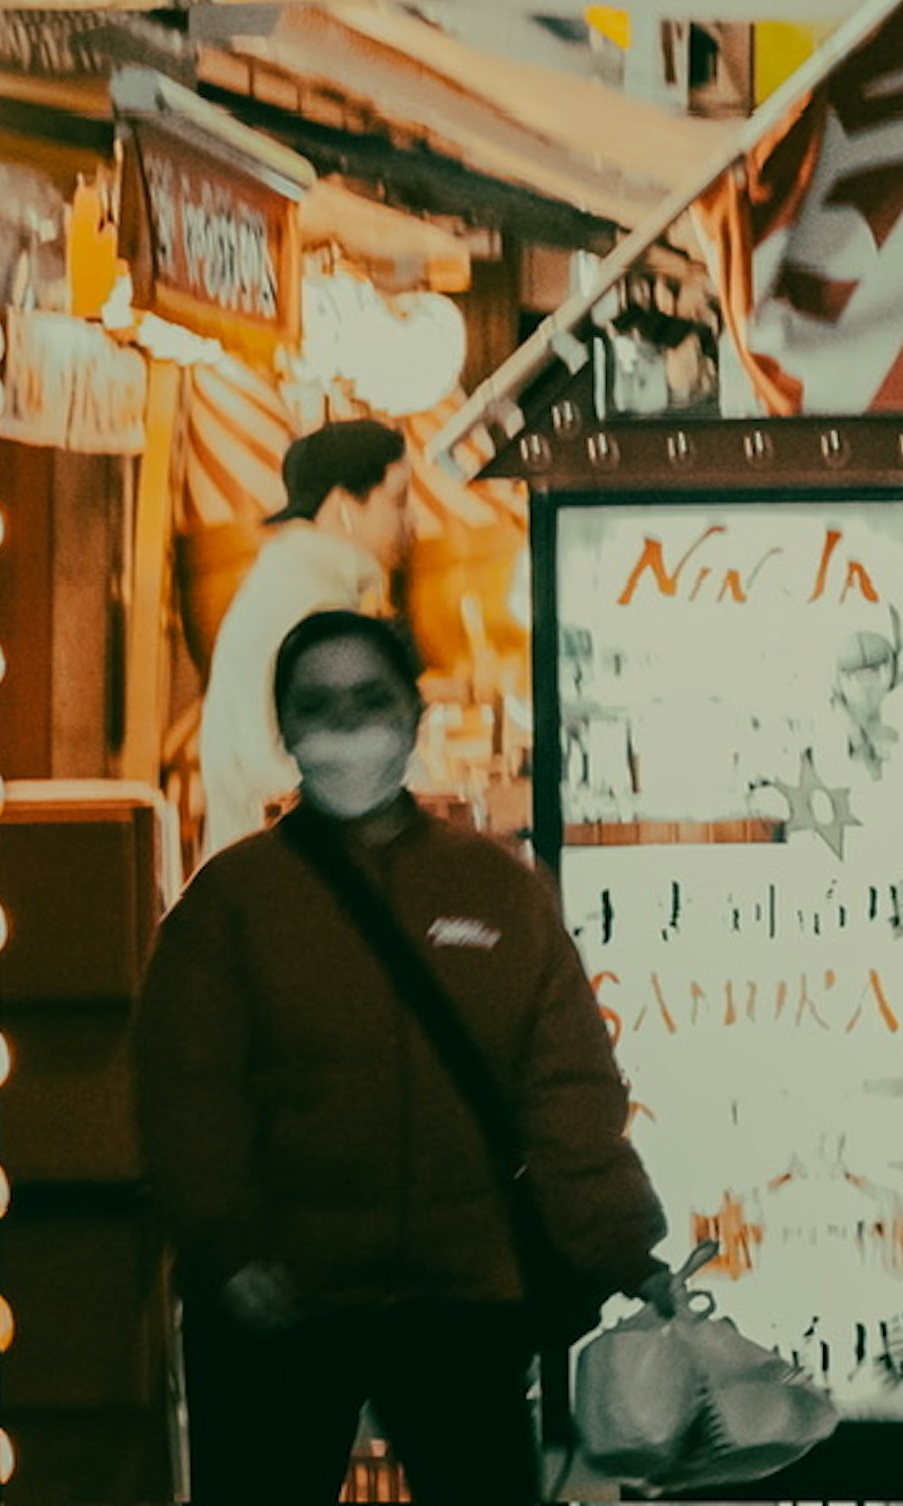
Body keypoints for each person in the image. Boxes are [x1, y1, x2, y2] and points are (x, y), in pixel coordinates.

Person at [138, 604, 663, 1506]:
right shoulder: (230, 903)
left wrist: (626, 1251)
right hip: (284, 1303)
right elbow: (184, 1094)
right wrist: (228, 1248)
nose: (347, 725)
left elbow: (569, 1090)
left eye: (369, 699)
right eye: (319, 703)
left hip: (462, 1297)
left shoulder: (500, 890)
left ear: (413, 716)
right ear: (287, 728)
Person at [198, 416, 411, 855]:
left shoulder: (288, 583)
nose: (413, 523)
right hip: (290, 886)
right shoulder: (313, 605)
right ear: (343, 508)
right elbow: (295, 767)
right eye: (398, 500)